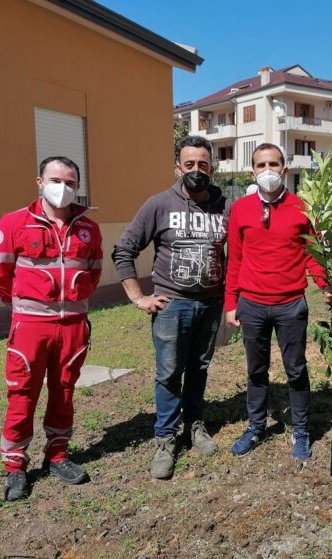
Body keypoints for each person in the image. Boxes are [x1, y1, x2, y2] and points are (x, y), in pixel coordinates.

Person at [112, 136, 231, 480]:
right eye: (190, 164)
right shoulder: (159, 204)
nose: (197, 171)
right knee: (168, 373)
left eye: (203, 165)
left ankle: (194, 426)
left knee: (199, 368)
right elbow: (124, 250)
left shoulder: (225, 206)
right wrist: (138, 296)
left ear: (212, 167)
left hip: (209, 305)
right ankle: (165, 438)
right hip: (171, 305)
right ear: (177, 167)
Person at [0, 156, 103, 501]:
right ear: (39, 182)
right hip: (30, 328)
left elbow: (93, 272)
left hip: (72, 326)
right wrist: (28, 307)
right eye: (56, 180)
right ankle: (14, 468)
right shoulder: (13, 224)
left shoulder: (89, 228)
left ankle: (57, 456)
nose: (62, 188)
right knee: (22, 395)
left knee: (64, 390)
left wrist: (71, 305)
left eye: (70, 183)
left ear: (78, 187)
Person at [225, 143, 332, 460]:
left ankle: (301, 431)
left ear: (285, 170)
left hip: (290, 305)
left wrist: (327, 286)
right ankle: (256, 426)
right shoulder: (241, 209)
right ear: (252, 171)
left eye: (274, 164)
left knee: (296, 370)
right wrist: (231, 302)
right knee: (256, 371)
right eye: (262, 165)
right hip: (252, 304)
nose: (268, 171)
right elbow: (235, 259)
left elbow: (313, 255)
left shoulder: (302, 208)